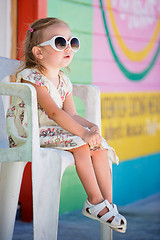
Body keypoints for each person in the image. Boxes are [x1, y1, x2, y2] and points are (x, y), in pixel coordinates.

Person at [6, 17, 127, 233]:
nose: (68, 47)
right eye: (60, 42)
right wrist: (83, 134)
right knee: (81, 144)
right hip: (31, 132)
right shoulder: (32, 77)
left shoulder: (63, 81)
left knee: (99, 147)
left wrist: (90, 127)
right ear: (39, 53)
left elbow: (70, 113)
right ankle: (94, 200)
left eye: (72, 42)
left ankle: (106, 204)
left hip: (52, 131)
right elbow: (53, 112)